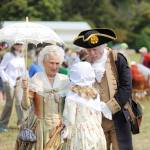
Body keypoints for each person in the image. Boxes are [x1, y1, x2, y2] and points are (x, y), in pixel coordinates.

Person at [73, 28, 133, 150]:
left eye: (95, 49)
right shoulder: (84, 64)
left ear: (103, 47)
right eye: (89, 50)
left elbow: (126, 87)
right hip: (93, 122)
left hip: (118, 118)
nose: (92, 53)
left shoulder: (117, 59)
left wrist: (108, 107)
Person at [17, 45, 69, 150]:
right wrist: (25, 90)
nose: (54, 66)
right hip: (39, 128)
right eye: (51, 63)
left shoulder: (65, 81)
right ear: (43, 63)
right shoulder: (36, 79)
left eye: (57, 63)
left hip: (60, 128)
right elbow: (25, 106)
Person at [62, 61, 112, 150]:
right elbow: (98, 116)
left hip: (79, 134)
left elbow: (69, 119)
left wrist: (66, 132)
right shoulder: (94, 94)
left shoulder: (71, 96)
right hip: (95, 131)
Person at [0, 42, 26, 132]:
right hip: (9, 82)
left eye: (21, 44)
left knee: (19, 102)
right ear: (14, 45)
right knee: (9, 104)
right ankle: (3, 124)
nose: (20, 46)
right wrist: (5, 79)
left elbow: (23, 70)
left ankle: (22, 124)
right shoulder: (8, 55)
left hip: (19, 82)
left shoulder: (22, 56)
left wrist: (24, 77)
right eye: (18, 44)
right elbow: (1, 68)